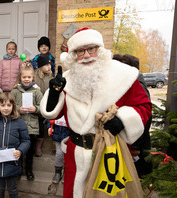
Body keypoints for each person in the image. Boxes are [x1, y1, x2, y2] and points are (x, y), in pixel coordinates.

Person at [40, 27, 152, 198]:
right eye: (79, 51)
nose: (86, 55)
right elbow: (52, 113)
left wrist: (123, 119)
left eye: (91, 49)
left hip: (109, 152)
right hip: (75, 155)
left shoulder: (123, 75)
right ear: (73, 55)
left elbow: (143, 106)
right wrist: (54, 94)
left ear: (100, 50)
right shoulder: (67, 79)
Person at [113, 53, 153, 178]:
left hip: (136, 146)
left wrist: (135, 148)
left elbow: (144, 116)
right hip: (135, 144)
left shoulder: (136, 85)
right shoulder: (136, 82)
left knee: (133, 180)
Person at [0, 92, 30, 198]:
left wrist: (21, 151)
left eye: (9, 105)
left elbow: (26, 141)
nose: (6, 108)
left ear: (13, 106)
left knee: (12, 190)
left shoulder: (20, 123)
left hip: (13, 164)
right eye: (2, 105)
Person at [11, 66, 43, 181]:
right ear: (20, 78)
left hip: (31, 126)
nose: (26, 79)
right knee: (18, 149)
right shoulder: (14, 91)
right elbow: (10, 106)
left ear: (33, 78)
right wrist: (19, 109)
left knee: (29, 151)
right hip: (17, 126)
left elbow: (42, 108)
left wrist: (35, 109)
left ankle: (29, 170)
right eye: (24, 77)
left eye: (29, 77)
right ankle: (18, 170)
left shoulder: (37, 92)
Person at [34, 54, 53, 157]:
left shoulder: (50, 78)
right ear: (41, 66)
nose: (49, 67)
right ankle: (33, 145)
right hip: (36, 106)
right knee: (37, 124)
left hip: (46, 106)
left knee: (42, 127)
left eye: (49, 64)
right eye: (46, 65)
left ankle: (38, 146)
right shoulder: (35, 77)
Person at [47, 116, 70, 183]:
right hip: (58, 133)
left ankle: (66, 173)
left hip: (69, 134)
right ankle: (58, 172)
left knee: (68, 154)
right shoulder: (56, 106)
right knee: (59, 153)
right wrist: (49, 126)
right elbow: (50, 114)